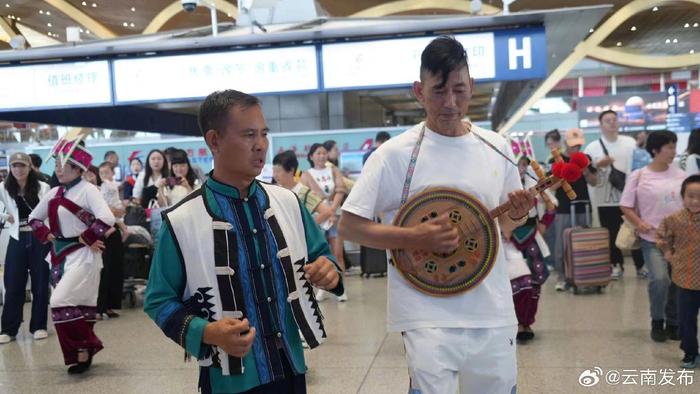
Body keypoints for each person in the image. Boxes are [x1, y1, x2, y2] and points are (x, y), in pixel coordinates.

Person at [339, 36, 532, 394]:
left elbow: (500, 230)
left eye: (459, 90)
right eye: (439, 91)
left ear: (471, 86)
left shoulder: (497, 148)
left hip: (491, 308)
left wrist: (517, 215)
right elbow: (350, 225)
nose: (450, 102)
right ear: (418, 91)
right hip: (424, 311)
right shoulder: (394, 155)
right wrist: (415, 237)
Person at [144, 89, 344, 394]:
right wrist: (207, 332)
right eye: (249, 134)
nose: (261, 144)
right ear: (214, 140)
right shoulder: (182, 220)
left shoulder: (287, 202)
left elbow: (321, 255)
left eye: (264, 133)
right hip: (230, 377)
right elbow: (158, 300)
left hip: (290, 366)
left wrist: (328, 269)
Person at [28, 137, 116, 374]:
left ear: (78, 168)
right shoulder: (54, 192)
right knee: (78, 304)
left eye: (63, 164)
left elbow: (107, 218)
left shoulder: (88, 190)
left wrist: (86, 238)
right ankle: (82, 354)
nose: (57, 168)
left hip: (84, 255)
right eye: (56, 163)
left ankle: (88, 345)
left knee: (59, 302)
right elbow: (33, 218)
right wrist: (46, 234)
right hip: (59, 256)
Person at [620, 130, 686, 342]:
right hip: (652, 239)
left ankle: (673, 323)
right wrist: (640, 224)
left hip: (680, 239)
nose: (673, 152)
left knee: (678, 282)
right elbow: (625, 205)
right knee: (659, 279)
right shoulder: (639, 175)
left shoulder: (681, 175)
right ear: (655, 150)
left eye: (674, 147)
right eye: (669, 147)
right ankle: (657, 321)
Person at [0, 152, 51, 344]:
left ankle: (39, 326)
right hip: (17, 236)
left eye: (22, 165)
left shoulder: (43, 187)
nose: (18, 169)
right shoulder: (4, 188)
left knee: (40, 282)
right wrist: (5, 217)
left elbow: (49, 211)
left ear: (30, 167)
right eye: (14, 166)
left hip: (39, 237)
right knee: (13, 282)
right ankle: (8, 328)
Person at [505, 156, 555, 342]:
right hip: (509, 242)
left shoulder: (534, 185)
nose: (522, 168)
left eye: (525, 165)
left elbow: (550, 209)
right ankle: (516, 323)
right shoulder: (504, 188)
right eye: (520, 165)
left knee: (534, 286)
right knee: (519, 285)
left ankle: (527, 323)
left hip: (533, 238)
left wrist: (542, 192)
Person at [584, 109, 636, 279]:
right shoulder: (592, 147)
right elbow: (589, 176)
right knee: (611, 234)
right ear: (601, 125)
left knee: (635, 230)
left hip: (629, 197)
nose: (612, 123)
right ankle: (616, 264)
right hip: (604, 199)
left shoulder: (630, 143)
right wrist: (598, 165)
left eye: (614, 119)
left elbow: (637, 168)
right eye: (608, 120)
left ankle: (641, 265)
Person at [656, 175, 700, 368]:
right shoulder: (674, 219)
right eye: (690, 195)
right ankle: (690, 352)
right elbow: (661, 235)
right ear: (683, 197)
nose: (695, 201)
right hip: (685, 278)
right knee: (686, 320)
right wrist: (667, 252)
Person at [548, 129, 599, 291]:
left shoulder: (586, 159)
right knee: (561, 245)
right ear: (566, 144)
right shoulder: (557, 160)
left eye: (578, 145)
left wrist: (585, 170)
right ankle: (562, 277)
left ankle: (584, 275)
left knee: (585, 243)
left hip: (583, 206)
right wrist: (565, 174)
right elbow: (552, 186)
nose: (576, 148)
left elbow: (594, 182)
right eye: (572, 145)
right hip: (564, 207)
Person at [301, 143, 348, 302]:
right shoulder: (306, 174)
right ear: (311, 156)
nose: (322, 156)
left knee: (338, 252)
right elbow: (305, 197)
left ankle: (341, 287)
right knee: (319, 255)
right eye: (318, 153)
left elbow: (341, 190)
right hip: (317, 220)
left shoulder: (334, 170)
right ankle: (321, 288)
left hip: (335, 217)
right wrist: (323, 212)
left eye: (323, 153)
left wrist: (332, 210)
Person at [96, 162, 126, 319]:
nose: (104, 175)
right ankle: (98, 307)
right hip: (100, 230)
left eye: (106, 172)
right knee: (103, 268)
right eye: (101, 172)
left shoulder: (112, 186)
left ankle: (110, 305)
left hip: (114, 227)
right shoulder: (99, 189)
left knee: (115, 267)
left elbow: (118, 208)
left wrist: (121, 223)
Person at [272, 150, 334, 226]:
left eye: (278, 171)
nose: (274, 175)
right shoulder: (275, 190)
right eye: (273, 171)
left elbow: (327, 212)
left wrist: (306, 227)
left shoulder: (303, 192)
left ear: (291, 170)